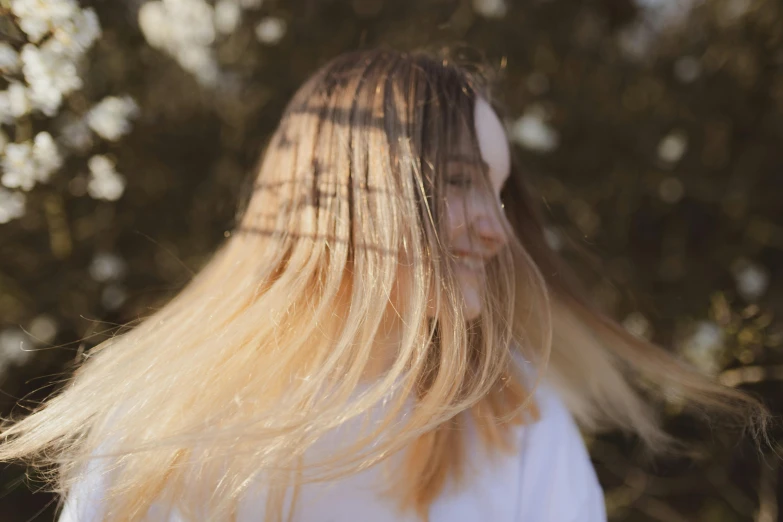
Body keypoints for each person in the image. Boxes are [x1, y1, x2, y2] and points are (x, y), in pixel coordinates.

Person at [0, 49, 767, 522]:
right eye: (459, 183)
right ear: (350, 192)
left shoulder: (518, 420)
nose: (494, 231)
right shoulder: (161, 432)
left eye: (498, 195)